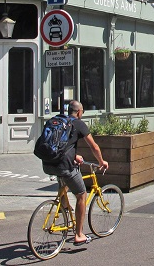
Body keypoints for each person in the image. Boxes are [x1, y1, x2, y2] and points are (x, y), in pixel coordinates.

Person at [41, 100, 109, 246]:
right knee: (81, 195)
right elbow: (94, 147)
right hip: (64, 166)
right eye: (82, 112)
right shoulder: (78, 123)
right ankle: (79, 234)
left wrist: (74, 156)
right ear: (79, 112)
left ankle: (64, 206)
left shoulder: (57, 120)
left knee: (64, 180)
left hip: (48, 164)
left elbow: (61, 144)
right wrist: (102, 162)